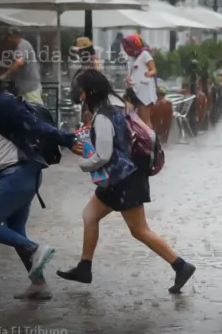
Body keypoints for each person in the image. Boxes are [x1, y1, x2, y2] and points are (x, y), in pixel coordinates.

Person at [57, 70, 195, 293]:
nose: (78, 94)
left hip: (124, 181)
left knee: (140, 230)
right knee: (90, 216)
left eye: (80, 89)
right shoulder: (117, 105)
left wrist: (83, 165)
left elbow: (103, 155)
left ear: (89, 91)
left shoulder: (103, 116)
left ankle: (181, 266)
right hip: (121, 178)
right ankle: (84, 268)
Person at [0, 68, 82, 299]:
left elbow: (36, 125)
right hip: (19, 176)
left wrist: (67, 139)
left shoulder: (3, 104)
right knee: (16, 230)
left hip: (18, 176)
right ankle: (39, 285)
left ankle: (36, 249)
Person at [123, 34, 157, 129]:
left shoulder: (145, 54)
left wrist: (149, 74)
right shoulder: (131, 58)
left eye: (128, 47)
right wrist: (128, 78)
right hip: (133, 90)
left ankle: (149, 140)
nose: (127, 50)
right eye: (125, 48)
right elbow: (131, 72)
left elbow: (153, 69)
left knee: (145, 119)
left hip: (144, 91)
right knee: (127, 115)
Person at [1, 28, 43, 104]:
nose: (7, 41)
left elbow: (19, 62)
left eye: (8, 38)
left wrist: (4, 76)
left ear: (13, 37)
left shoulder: (22, 45)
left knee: (36, 111)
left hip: (29, 88)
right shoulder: (21, 46)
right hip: (24, 88)